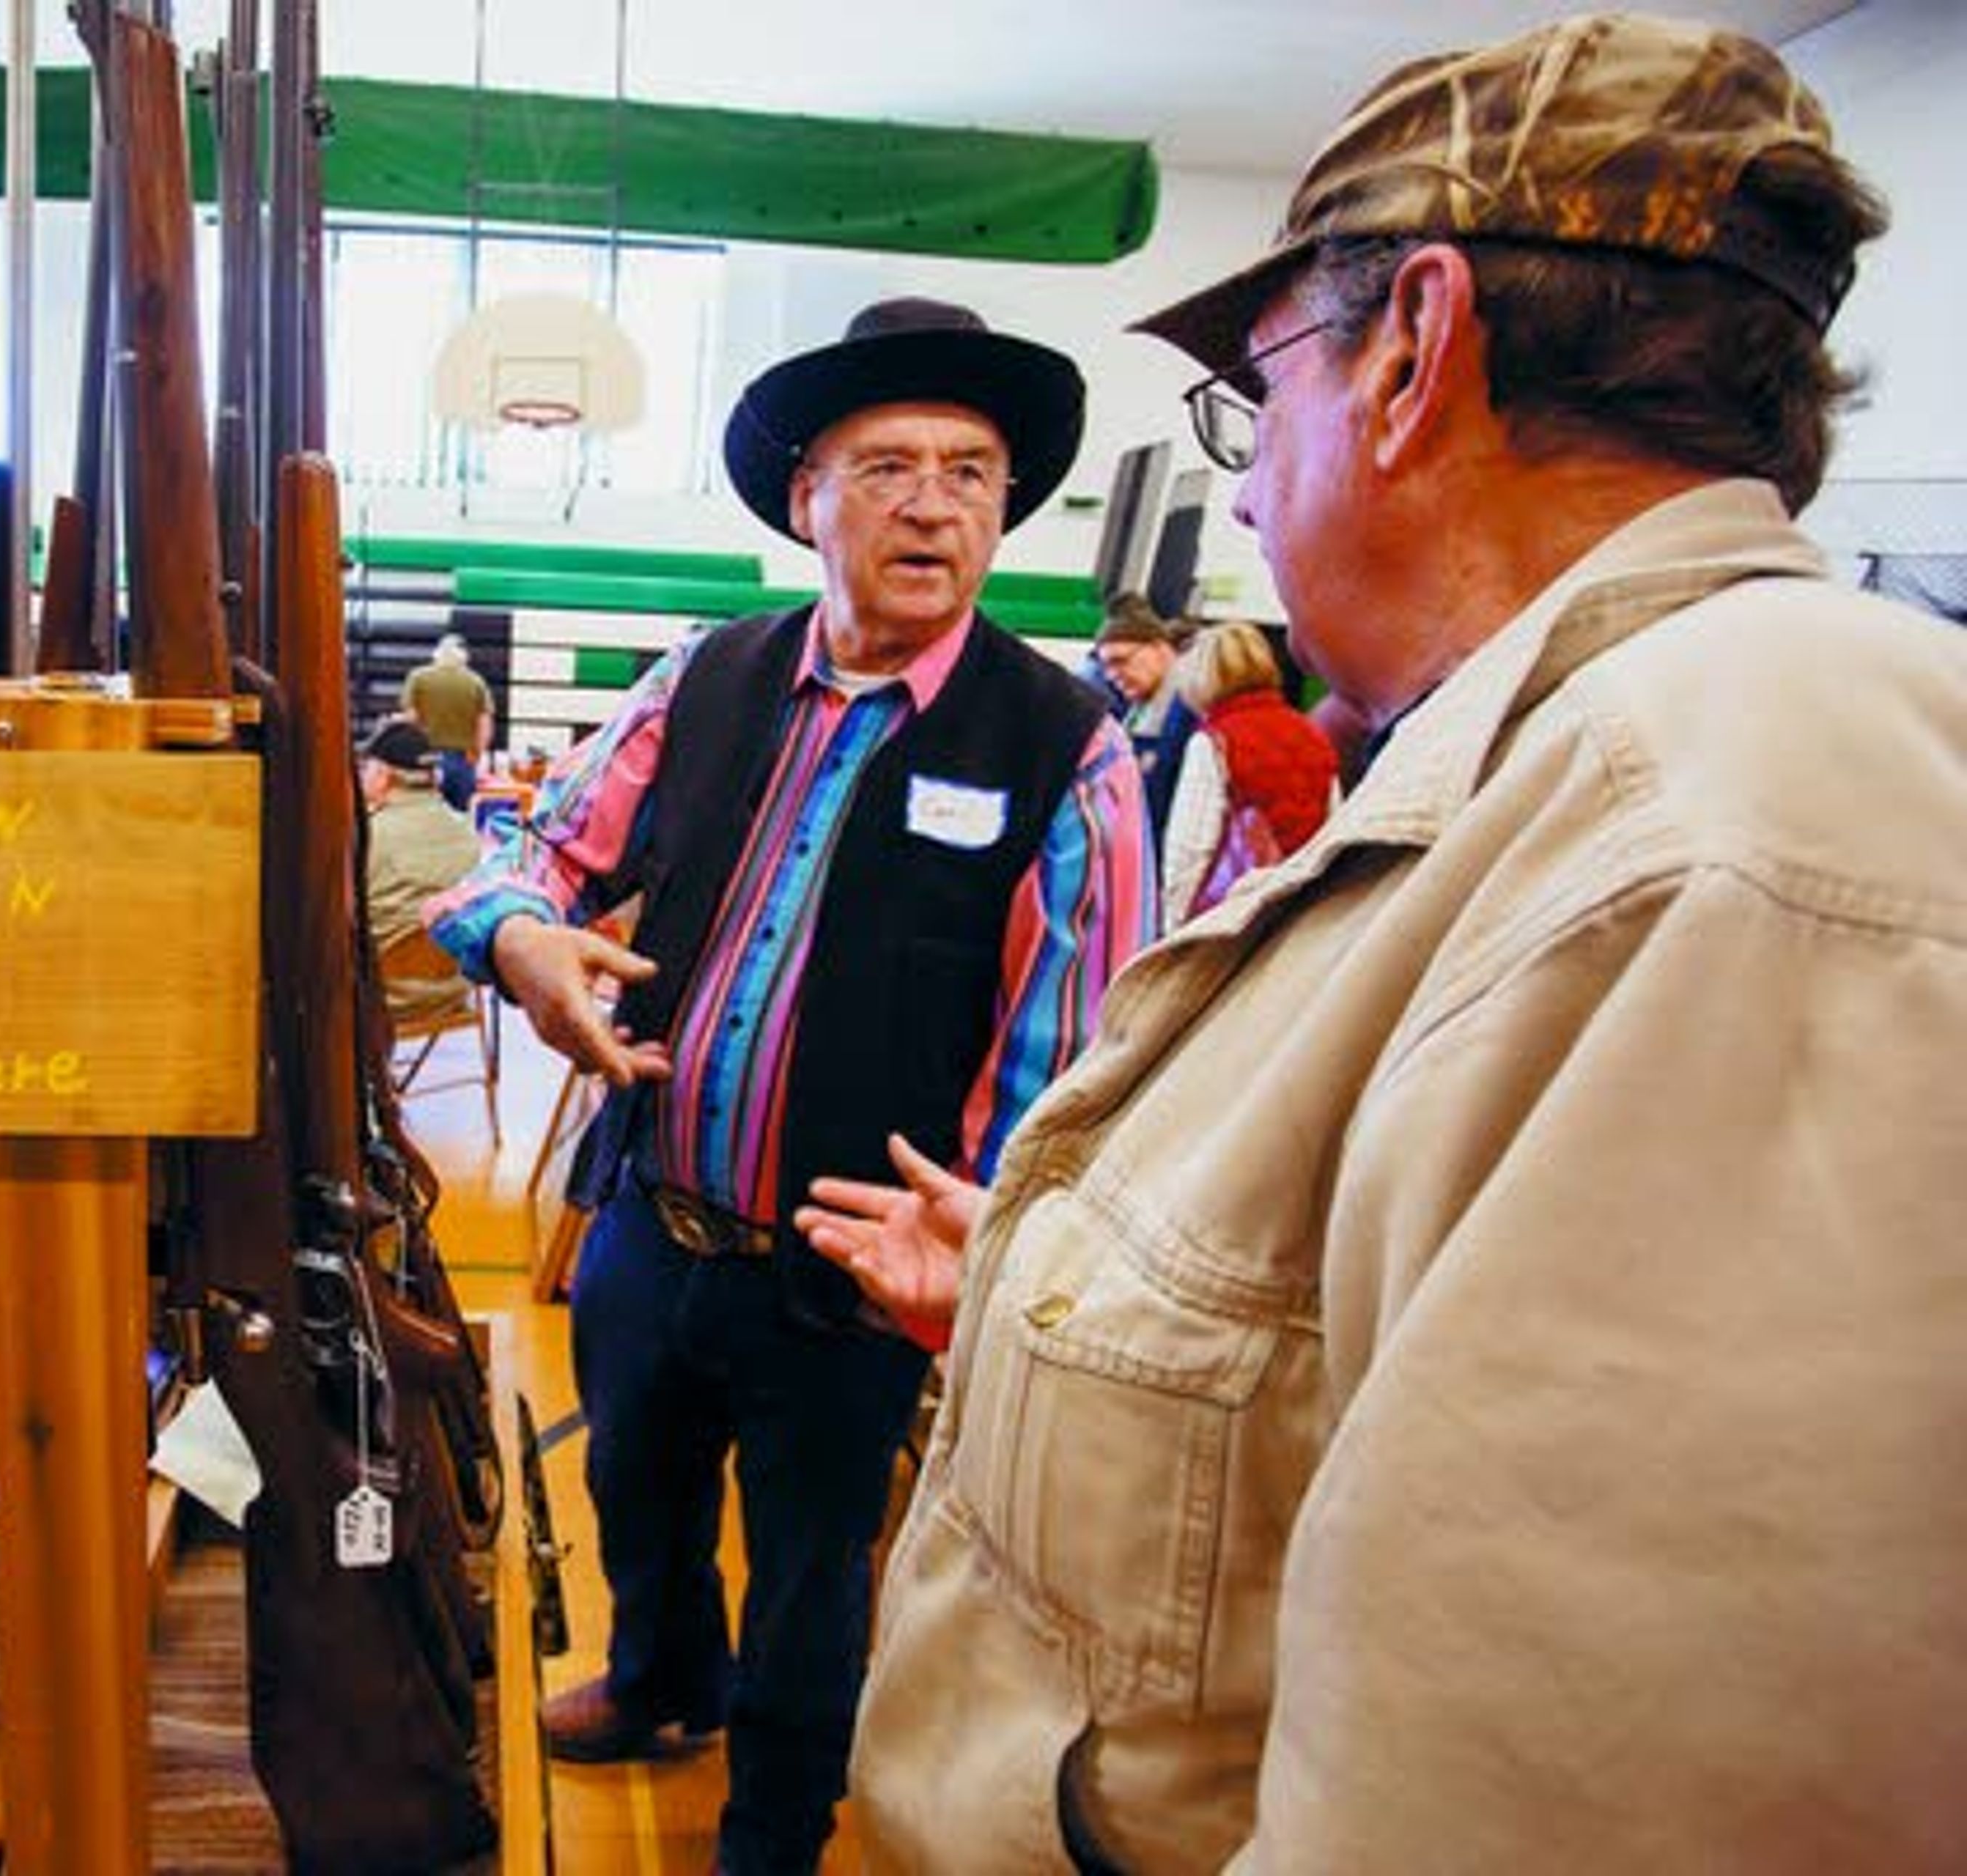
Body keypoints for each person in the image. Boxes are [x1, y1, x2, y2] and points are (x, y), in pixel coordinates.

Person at [800, 18, 1963, 1872]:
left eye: (1258, 408)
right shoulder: (1547, 765)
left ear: (1410, 348)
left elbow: (1573, 1796)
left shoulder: (1731, 833)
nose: (1248, 494)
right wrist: (1035, 1295)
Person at [429, 297, 1154, 1875]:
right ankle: (660, 1675)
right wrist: (525, 939)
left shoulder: (1063, 744)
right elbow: (530, 853)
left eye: (971, 471)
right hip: (649, 1215)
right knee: (633, 1480)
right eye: (885, 464)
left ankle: (768, 1834)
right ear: (805, 499)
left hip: (852, 1271)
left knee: (816, 1578)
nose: (934, 501)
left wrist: (985, 1266)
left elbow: (1078, 1066)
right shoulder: (705, 675)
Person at [1158, 618, 1337, 925]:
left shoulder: (1214, 741)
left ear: (1201, 679)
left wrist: (1173, 921)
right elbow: (1334, 821)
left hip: (1232, 913)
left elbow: (1191, 847)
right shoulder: (1312, 733)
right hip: (1299, 908)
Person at [357, 716, 480, 1021]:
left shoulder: (369, 836)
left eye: (365, 768)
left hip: (386, 1000)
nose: (361, 776)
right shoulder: (466, 830)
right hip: (452, 990)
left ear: (384, 776)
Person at [1093, 590, 1197, 843]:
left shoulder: (1190, 709)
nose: (1111, 675)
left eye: (1121, 661)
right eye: (1105, 666)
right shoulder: (1137, 711)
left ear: (1160, 649)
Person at [400, 632, 493, 810]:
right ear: (464, 656)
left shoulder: (418, 678)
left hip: (424, 760)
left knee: (424, 816)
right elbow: (485, 726)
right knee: (460, 818)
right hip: (462, 761)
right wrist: (477, 755)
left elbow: (410, 720)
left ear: (437, 653)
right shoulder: (476, 682)